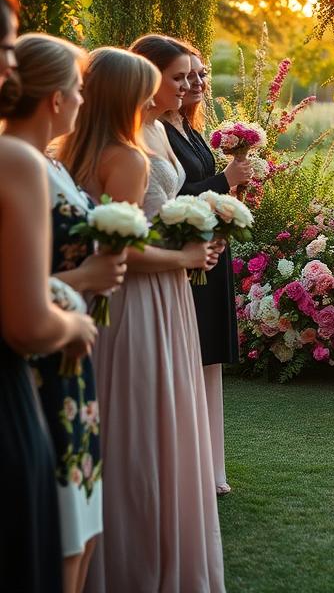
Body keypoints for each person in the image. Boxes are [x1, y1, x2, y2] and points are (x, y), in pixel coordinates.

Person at [66, 47, 225, 593]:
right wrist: (185, 257)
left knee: (114, 418)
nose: (171, 91)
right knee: (147, 424)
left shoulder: (71, 151)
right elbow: (125, 251)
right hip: (145, 298)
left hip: (109, 302)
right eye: (154, 84)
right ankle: (143, 561)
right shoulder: (128, 157)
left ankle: (105, 554)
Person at [2, 34, 128, 593]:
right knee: (61, 539)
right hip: (41, 367)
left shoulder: (47, 165)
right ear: (55, 98)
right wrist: (83, 286)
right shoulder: (18, 165)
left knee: (83, 526)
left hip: (73, 370)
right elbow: (14, 291)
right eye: (77, 89)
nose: (83, 100)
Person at [0, 0, 97, 593]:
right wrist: (75, 316)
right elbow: (26, 321)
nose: (8, 64)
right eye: (1, 45)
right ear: (58, 98)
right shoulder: (17, 162)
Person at [160, 40, 247, 495]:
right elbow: (169, 200)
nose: (195, 83)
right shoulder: (157, 130)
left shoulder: (190, 128)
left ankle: (212, 468)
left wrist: (233, 192)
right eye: (185, 75)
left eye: (199, 74)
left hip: (210, 252)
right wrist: (224, 181)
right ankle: (193, 465)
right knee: (191, 358)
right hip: (185, 254)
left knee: (208, 360)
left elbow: (201, 187)